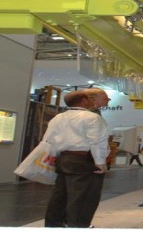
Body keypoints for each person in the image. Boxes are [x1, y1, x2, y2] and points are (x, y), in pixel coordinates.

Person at [43, 90, 109, 228]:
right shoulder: (92, 118)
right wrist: (100, 162)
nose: (91, 101)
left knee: (60, 196)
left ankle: (53, 225)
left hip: (63, 158)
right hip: (83, 160)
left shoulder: (58, 118)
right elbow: (97, 141)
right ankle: (78, 226)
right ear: (84, 101)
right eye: (89, 99)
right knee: (83, 197)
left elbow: (48, 140)